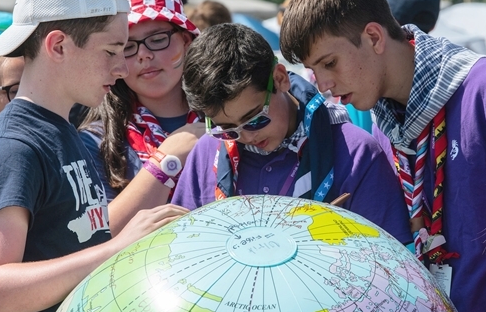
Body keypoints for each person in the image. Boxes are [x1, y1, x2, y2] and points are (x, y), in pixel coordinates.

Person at [279, 0, 486, 312]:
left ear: (373, 37)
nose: (322, 84)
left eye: (329, 63)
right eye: (313, 69)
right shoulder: (387, 125)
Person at [0, 0, 189, 312]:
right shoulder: (15, 146)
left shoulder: (64, 131)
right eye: (111, 51)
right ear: (59, 46)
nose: (122, 69)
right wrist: (115, 247)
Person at [173, 22, 413, 244]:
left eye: (255, 120)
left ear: (279, 79)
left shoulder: (356, 152)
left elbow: (389, 261)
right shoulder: (206, 152)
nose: (246, 137)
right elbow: (185, 248)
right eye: (227, 130)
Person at [79, 0, 205, 203]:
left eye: (158, 40)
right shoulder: (96, 141)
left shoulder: (227, 120)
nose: (144, 55)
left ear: (186, 41)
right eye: (127, 46)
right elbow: (101, 232)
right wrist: (167, 160)